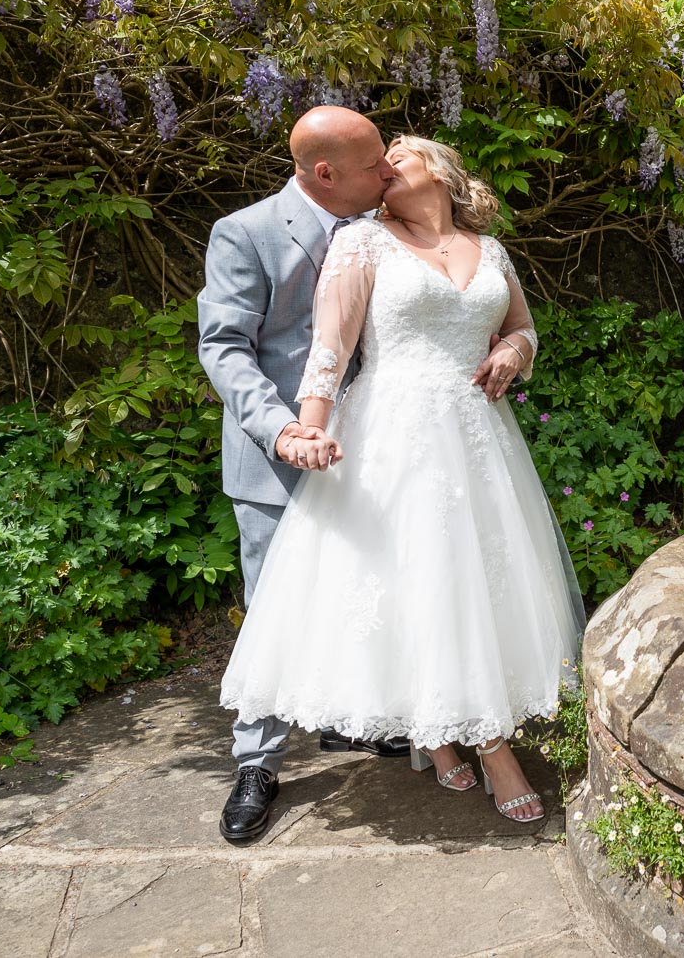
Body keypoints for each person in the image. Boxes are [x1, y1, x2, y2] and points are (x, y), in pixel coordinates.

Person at [218, 133, 585, 827]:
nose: (384, 166)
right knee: (422, 578)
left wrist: (512, 350)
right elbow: (332, 345)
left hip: (478, 437)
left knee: (477, 582)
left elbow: (524, 327)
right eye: (379, 159)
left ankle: (441, 732)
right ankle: (491, 749)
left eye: (399, 156)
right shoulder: (362, 242)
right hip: (394, 434)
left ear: (441, 173)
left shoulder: (492, 251)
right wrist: (311, 428)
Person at [197, 106, 412, 843]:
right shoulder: (248, 233)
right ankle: (257, 762)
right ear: (325, 174)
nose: (388, 172)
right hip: (276, 459)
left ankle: (360, 718)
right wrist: (283, 428)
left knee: (371, 584)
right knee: (272, 609)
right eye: (373, 164)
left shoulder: (391, 227)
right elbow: (225, 347)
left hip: (376, 451)